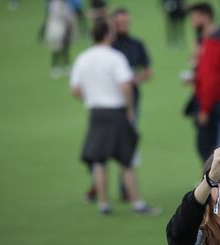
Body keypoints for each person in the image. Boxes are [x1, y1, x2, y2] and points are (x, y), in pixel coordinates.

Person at [69, 20, 160, 216]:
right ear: (108, 35)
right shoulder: (115, 57)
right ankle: (137, 203)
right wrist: (129, 110)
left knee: (99, 161)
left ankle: (103, 203)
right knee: (126, 159)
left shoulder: (83, 58)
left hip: (96, 113)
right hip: (116, 112)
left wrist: (91, 98)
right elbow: (126, 86)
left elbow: (75, 89)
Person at [86, 8, 153, 202]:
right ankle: (96, 187)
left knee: (126, 147)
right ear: (112, 24)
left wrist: (135, 80)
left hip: (130, 102)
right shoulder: (106, 49)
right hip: (107, 104)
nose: (122, 26)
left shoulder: (136, 44)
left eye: (125, 22)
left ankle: (125, 189)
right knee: (100, 149)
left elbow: (148, 71)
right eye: (119, 23)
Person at [187, 3, 220, 163]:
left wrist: (204, 108)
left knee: (212, 151)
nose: (192, 22)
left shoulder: (214, 42)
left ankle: (212, 185)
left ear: (205, 17)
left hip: (213, 103)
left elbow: (211, 78)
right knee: (216, 148)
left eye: (194, 18)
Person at [45, 0, 76, 78]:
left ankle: (66, 65)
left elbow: (69, 15)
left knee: (66, 47)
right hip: (57, 29)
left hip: (65, 28)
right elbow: (59, 15)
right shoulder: (54, 4)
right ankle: (55, 67)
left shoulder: (66, 4)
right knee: (56, 48)